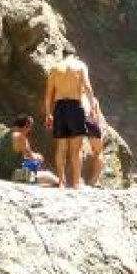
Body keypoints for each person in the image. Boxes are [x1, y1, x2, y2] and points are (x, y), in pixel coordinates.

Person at [42, 49, 97, 189]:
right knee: (76, 149)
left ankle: (61, 182)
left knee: (61, 147)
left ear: (63, 55)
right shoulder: (80, 66)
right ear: (74, 55)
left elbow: (48, 95)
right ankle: (77, 183)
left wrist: (48, 114)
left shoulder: (55, 68)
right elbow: (88, 87)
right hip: (75, 106)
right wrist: (92, 108)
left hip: (59, 107)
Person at [0, 115, 59, 186]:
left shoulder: (5, 135)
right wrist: (39, 156)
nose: (29, 130)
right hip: (12, 175)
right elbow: (31, 157)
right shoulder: (20, 137)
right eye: (29, 127)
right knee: (50, 176)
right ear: (26, 126)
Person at [82, 94, 106, 187]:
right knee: (99, 152)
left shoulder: (72, 97)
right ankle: (94, 181)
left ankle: (78, 179)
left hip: (80, 122)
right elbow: (97, 117)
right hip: (92, 123)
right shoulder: (92, 99)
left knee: (75, 151)